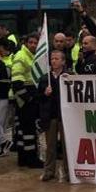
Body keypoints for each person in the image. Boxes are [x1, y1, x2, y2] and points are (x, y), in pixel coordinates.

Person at [11, 33, 41, 168]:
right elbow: (17, 81)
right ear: (26, 43)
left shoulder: (32, 55)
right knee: (29, 130)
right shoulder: (21, 56)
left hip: (26, 98)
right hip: (25, 99)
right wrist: (28, 99)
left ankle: (23, 158)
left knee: (23, 130)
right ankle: (31, 159)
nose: (33, 45)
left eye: (35, 43)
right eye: (31, 42)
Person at [37, 50, 67, 182]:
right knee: (50, 146)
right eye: (52, 58)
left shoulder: (68, 76)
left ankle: (68, 171)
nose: (53, 61)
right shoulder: (45, 78)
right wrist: (45, 93)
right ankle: (49, 171)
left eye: (56, 58)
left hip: (65, 116)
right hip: (50, 116)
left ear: (63, 61)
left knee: (67, 146)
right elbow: (38, 98)